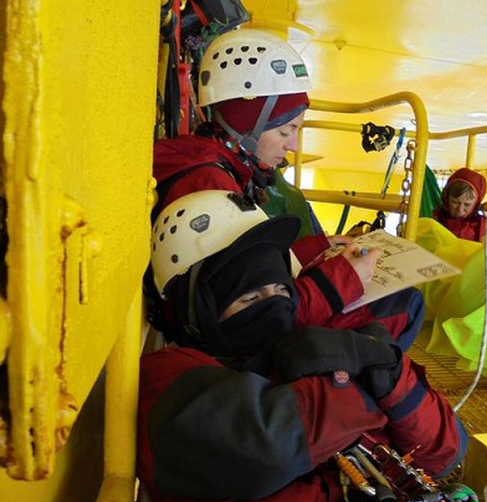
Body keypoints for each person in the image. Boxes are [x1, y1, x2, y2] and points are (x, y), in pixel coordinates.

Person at [138, 190, 468, 502]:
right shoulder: (165, 378)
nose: (273, 305)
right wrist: (359, 375)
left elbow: (446, 454)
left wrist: (394, 373)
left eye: (281, 289)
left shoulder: (298, 356)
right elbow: (271, 442)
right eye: (250, 298)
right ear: (199, 310)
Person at [151, 27, 424, 350]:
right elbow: (257, 319)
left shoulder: (204, 160)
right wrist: (345, 279)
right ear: (249, 127)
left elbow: (236, 271)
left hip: (214, 330)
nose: (293, 145)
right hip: (235, 349)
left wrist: (314, 249)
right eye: (285, 131)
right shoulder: (209, 187)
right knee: (404, 303)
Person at [433, 168, 487, 242]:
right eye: (454, 202)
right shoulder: (435, 217)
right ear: (446, 198)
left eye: (467, 204)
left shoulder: (481, 226)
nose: (460, 209)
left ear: (476, 204)